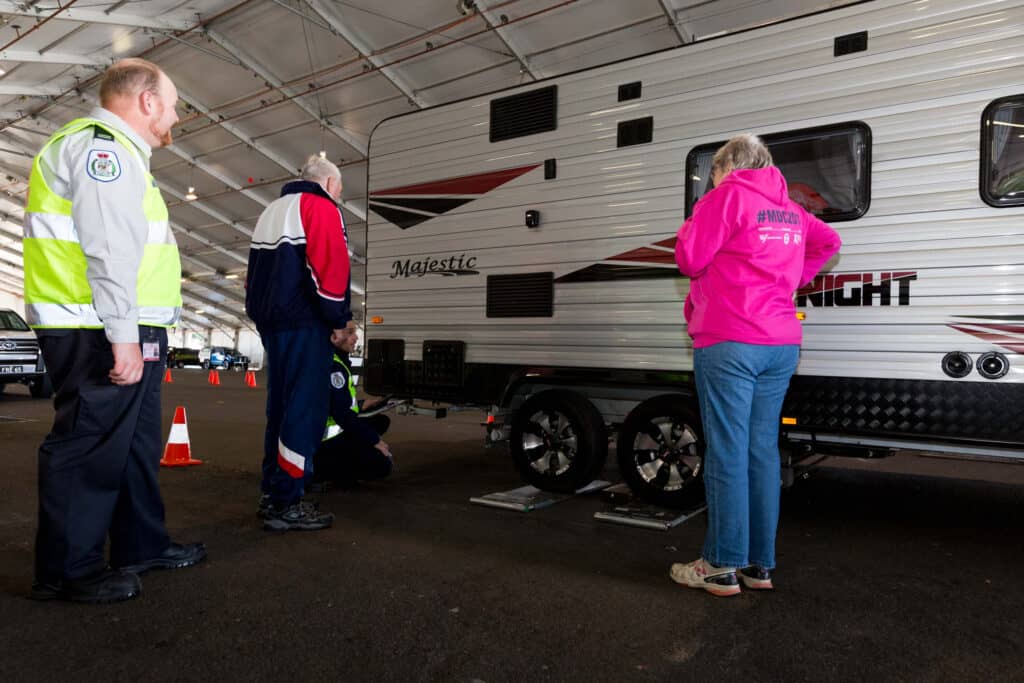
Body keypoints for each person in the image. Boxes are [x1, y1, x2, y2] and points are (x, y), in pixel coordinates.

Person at [24, 58, 206, 604]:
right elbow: (108, 245)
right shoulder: (102, 148)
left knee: (132, 443)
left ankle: (139, 543)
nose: (174, 115)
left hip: (123, 322)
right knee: (88, 445)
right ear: (147, 100)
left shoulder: (124, 154)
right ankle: (67, 571)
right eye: (171, 104)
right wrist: (122, 334)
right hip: (96, 325)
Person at [671, 134, 842, 596]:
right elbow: (829, 241)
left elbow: (688, 259)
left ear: (726, 168)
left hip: (731, 340)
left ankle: (721, 565)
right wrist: (789, 277)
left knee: (727, 451)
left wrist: (698, 215)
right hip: (780, 343)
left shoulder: (724, 197)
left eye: (714, 174)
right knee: (761, 452)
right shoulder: (789, 207)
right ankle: (758, 566)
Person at [246, 155, 352, 532]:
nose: (339, 198)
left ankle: (272, 491)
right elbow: (331, 266)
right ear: (327, 183)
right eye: (339, 191)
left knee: (279, 408)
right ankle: (287, 501)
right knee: (303, 411)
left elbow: (253, 276)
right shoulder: (319, 207)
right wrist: (339, 321)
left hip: (273, 325)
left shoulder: (271, 211)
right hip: (306, 324)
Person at [311, 322, 393, 489]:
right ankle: (320, 473)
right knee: (381, 465)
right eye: (350, 333)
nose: (355, 338)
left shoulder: (335, 359)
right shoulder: (332, 366)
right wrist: (374, 440)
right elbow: (341, 414)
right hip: (320, 441)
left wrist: (362, 404)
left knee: (380, 421)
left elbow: (337, 401)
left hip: (326, 432)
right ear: (333, 337)